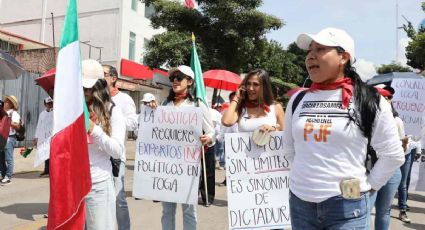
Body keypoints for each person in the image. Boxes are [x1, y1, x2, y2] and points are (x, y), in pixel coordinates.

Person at [283, 27, 405, 229]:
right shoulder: (298, 99)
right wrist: (305, 180)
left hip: (348, 207)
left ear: (344, 57)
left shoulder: (370, 100)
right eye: (309, 50)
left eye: (320, 49)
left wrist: (368, 188)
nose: (310, 56)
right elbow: (289, 149)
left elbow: (393, 155)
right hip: (300, 204)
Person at [148, 65, 215, 230]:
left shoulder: (198, 105)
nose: (175, 81)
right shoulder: (165, 103)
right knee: (167, 210)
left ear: (190, 81)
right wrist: (151, 111)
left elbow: (212, 132)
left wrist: (208, 138)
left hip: (188, 166)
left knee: (189, 210)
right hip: (168, 165)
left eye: (179, 77)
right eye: (172, 78)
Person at [83, 60, 126, 229]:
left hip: (98, 186)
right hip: (74, 185)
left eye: (88, 87)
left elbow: (117, 151)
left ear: (99, 87)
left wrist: (95, 130)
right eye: (81, 87)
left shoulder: (113, 111)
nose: (84, 91)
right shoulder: (74, 110)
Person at [103, 64, 137, 230]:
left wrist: (114, 118)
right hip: (97, 157)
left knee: (118, 198)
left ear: (113, 78)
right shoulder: (94, 97)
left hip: (116, 156)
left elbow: (133, 124)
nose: (99, 77)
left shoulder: (124, 99)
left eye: (103, 74)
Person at [369, 87, 403, 230]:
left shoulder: (397, 121)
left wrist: (403, 144)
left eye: (388, 97)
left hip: (391, 172)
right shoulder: (362, 117)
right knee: (364, 212)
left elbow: (399, 151)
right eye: (383, 97)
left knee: (383, 211)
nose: (386, 100)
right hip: (369, 170)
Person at [221, 69, 285, 133]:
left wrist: (273, 129)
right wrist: (237, 97)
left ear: (264, 87)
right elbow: (226, 122)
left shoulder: (276, 107)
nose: (251, 88)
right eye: (248, 84)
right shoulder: (241, 107)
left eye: (256, 84)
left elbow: (284, 131)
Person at [0, 95, 21, 185]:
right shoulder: (2, 112)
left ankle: (8, 176)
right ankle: (4, 175)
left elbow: (17, 126)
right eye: (5, 101)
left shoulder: (14, 114)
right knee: (1, 158)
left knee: (8, 158)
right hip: (2, 137)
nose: (4, 102)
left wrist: (8, 121)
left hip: (10, 137)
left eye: (7, 101)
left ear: (11, 104)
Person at [33, 96, 54, 177]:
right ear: (45, 104)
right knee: (45, 153)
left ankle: (52, 170)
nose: (50, 105)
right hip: (43, 137)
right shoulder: (42, 114)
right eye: (48, 104)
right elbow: (39, 125)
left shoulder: (55, 112)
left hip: (52, 136)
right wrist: (36, 137)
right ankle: (46, 170)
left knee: (51, 154)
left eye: (51, 103)